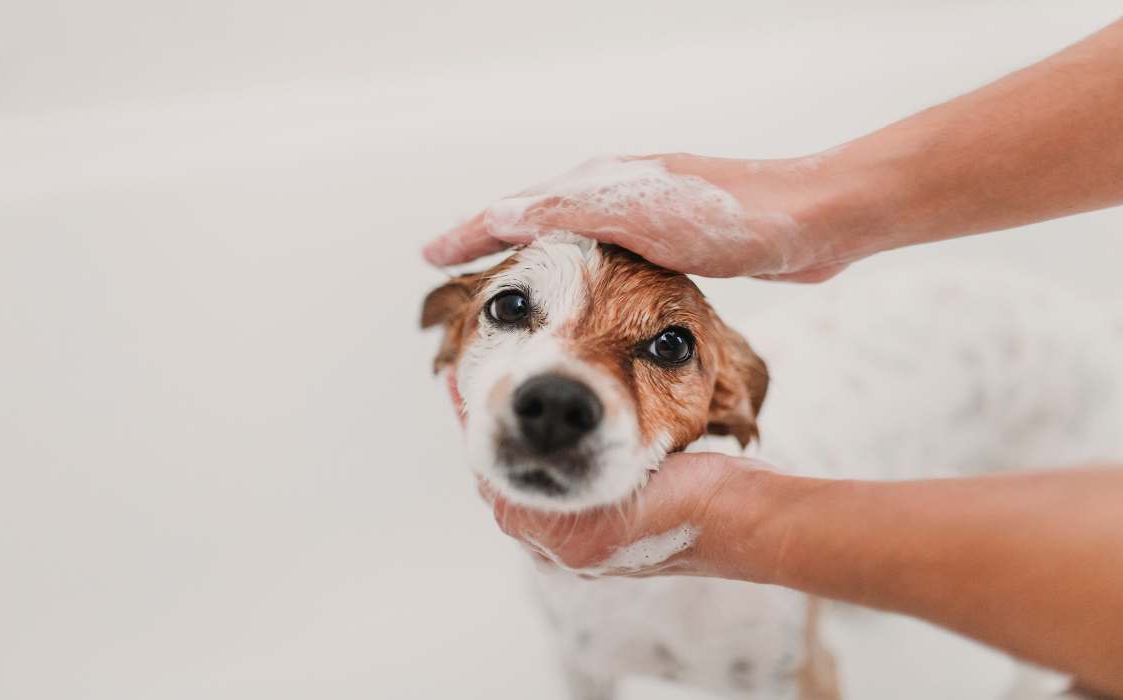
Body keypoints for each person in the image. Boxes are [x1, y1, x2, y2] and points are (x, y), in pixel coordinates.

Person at [421, 18, 1123, 698]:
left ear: (729, 400)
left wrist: (747, 524)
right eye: (513, 310)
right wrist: (821, 203)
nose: (558, 393)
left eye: (668, 347)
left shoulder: (757, 627)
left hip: (1029, 377)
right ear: (456, 344)